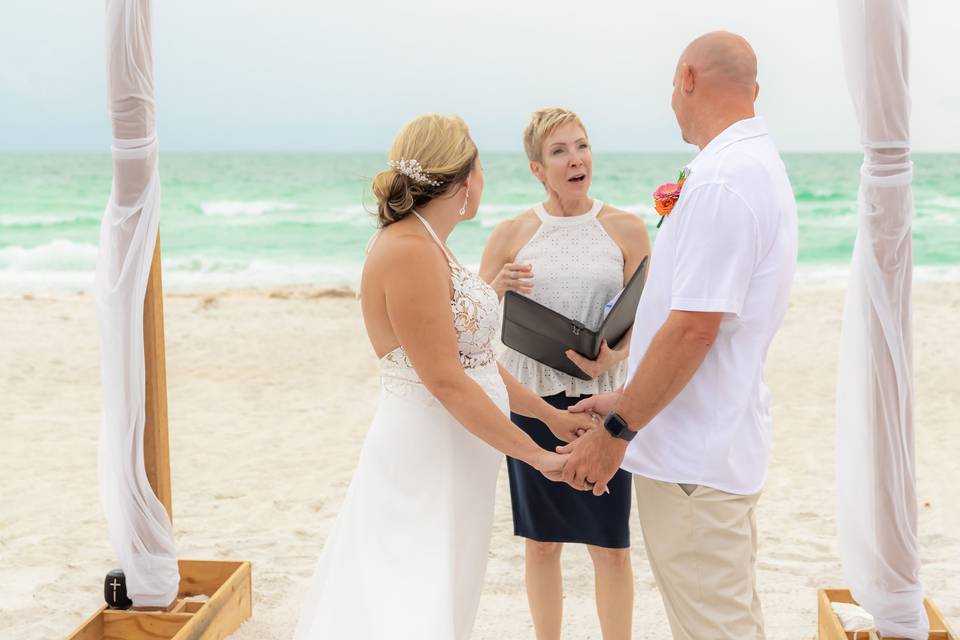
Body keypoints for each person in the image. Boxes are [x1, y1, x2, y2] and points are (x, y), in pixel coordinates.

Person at [293, 114, 592, 639]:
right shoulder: (408, 250)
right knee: (409, 595)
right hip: (424, 452)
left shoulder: (433, 244)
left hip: (459, 451)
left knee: (444, 588)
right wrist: (538, 456)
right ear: (464, 179)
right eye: (480, 166)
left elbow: (474, 361)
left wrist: (548, 416)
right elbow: (446, 381)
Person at [561, 32, 798, 639]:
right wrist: (628, 395)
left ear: (688, 78)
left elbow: (694, 328)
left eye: (672, 86)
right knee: (729, 621)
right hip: (715, 440)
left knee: (714, 630)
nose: (671, 100)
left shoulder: (722, 180)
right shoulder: (752, 166)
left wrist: (616, 432)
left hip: (696, 459)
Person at [479, 108, 650, 640]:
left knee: (611, 547)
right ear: (537, 169)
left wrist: (614, 360)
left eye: (582, 146)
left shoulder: (626, 228)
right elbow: (472, 322)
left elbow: (644, 321)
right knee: (542, 543)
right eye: (559, 151)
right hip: (531, 406)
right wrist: (497, 286)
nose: (576, 159)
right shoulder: (512, 232)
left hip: (602, 406)